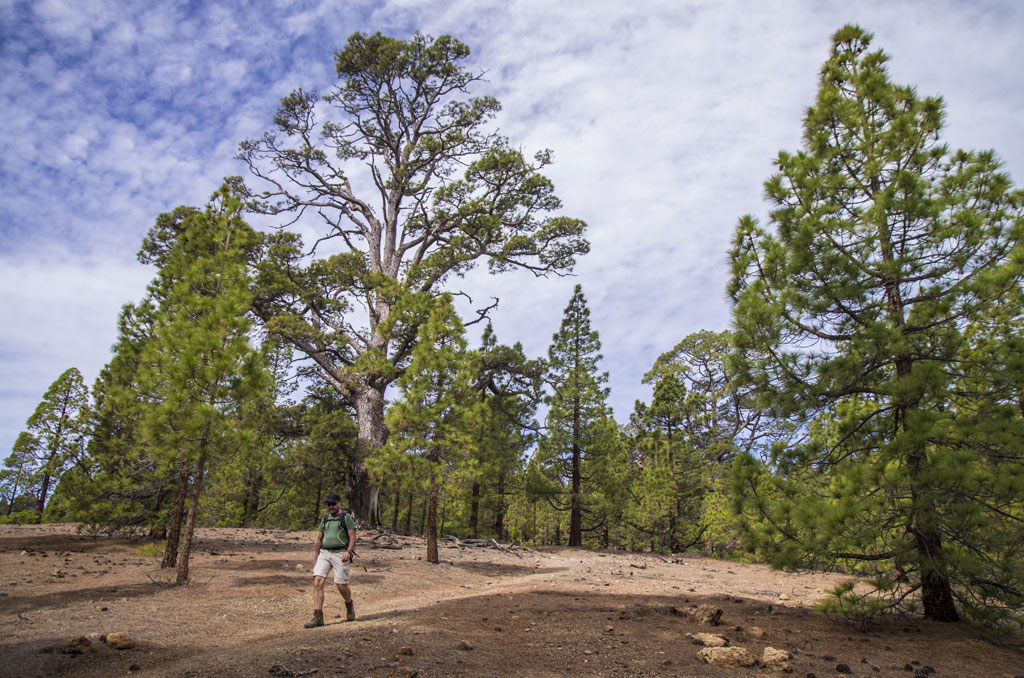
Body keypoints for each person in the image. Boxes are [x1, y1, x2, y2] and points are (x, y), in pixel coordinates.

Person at [304, 493, 357, 628]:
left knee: (341, 585)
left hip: (340, 553)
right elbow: (319, 539)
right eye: (329, 504)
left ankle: (349, 604)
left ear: (339, 503)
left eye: (333, 504)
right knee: (318, 581)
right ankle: (318, 616)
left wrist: (348, 552)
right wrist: (316, 557)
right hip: (325, 552)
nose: (331, 507)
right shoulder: (326, 518)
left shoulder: (346, 517)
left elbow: (352, 537)